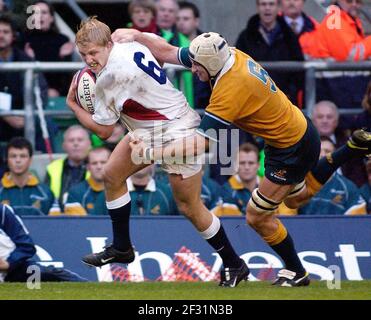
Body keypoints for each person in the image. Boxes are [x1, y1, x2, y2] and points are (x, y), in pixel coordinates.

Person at [112, 28, 371, 287]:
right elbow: (168, 52)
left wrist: (151, 153)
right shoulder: (222, 54)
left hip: (292, 147)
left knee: (257, 216)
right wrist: (137, 35)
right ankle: (348, 150)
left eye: (197, 67)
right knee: (295, 198)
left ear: (211, 64)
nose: (193, 71)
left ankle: (297, 271)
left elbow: (201, 144)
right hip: (291, 135)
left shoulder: (231, 88)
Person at [66, 17, 249, 288]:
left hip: (177, 132)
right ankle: (122, 247)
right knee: (112, 175)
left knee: (190, 207)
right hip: (149, 128)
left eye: (93, 53)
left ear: (107, 44)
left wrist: (72, 103)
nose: (89, 59)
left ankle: (235, 264)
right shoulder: (127, 43)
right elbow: (159, 57)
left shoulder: (111, 78)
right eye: (83, 55)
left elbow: (104, 133)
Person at [0, 14, 54, 155]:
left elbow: (41, 91)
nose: (1, 36)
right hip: (1, 116)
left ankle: (44, 166)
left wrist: (27, 115)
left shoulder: (25, 60)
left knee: (46, 123)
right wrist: (6, 115)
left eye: (5, 32)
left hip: (23, 115)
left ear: (13, 36)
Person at [235, 0, 304, 107]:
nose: (267, 8)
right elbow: (237, 67)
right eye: (263, 4)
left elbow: (299, 69)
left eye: (271, 4)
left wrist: (290, 92)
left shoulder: (290, 37)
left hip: (284, 101)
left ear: (278, 7)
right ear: (257, 7)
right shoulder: (246, 37)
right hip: (254, 101)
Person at [306, 0, 371, 109]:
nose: (354, 4)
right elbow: (351, 55)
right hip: (334, 89)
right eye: (349, 1)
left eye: (358, 1)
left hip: (344, 88)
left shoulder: (349, 19)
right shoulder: (335, 20)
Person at [0, 203, 87, 282]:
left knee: (50, 273)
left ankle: (89, 286)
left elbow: (26, 246)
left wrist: (9, 263)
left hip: (13, 269)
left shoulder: (3, 212)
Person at [299, 136, 367, 215]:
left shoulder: (347, 187)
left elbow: (358, 221)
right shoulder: (297, 182)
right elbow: (287, 215)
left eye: (327, 151)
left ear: (336, 157)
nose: (323, 155)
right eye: (318, 151)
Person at [23, 0, 75, 96]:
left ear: (51, 18)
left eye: (44, 12)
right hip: (29, 92)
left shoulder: (62, 40)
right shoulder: (23, 40)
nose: (40, 16)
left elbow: (66, 77)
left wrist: (62, 57)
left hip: (56, 92)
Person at [0, 137, 60, 216]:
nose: (18, 160)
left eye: (23, 156)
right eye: (13, 156)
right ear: (7, 160)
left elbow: (56, 224)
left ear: (30, 160)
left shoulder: (46, 193)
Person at [45, 125, 91, 209]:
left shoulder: (97, 166)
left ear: (89, 144)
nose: (76, 143)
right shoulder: (52, 168)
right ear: (64, 145)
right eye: (71, 140)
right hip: (59, 217)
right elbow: (46, 198)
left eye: (80, 140)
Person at [176, 1, 211, 110]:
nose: (181, 22)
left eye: (186, 19)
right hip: (179, 108)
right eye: (178, 19)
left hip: (205, 106)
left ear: (196, 21)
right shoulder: (170, 43)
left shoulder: (209, 44)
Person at [62, 147, 111, 216]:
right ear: (88, 167)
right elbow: (80, 224)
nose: (99, 166)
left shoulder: (123, 189)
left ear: (112, 165)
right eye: (94, 163)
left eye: (103, 162)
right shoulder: (75, 193)